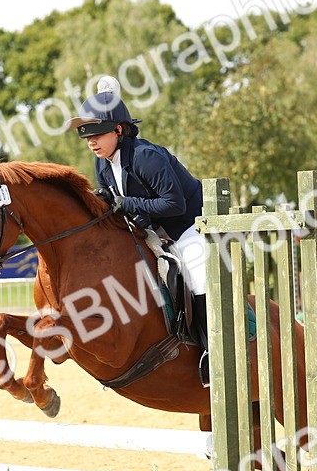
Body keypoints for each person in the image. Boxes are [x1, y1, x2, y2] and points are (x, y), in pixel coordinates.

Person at [67, 77, 210, 383]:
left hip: (189, 225)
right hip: (152, 229)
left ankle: (213, 352)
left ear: (118, 130)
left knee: (197, 275)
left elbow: (174, 205)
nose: (91, 142)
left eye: (96, 134)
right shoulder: (103, 162)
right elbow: (118, 205)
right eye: (86, 137)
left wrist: (125, 202)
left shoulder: (147, 156)